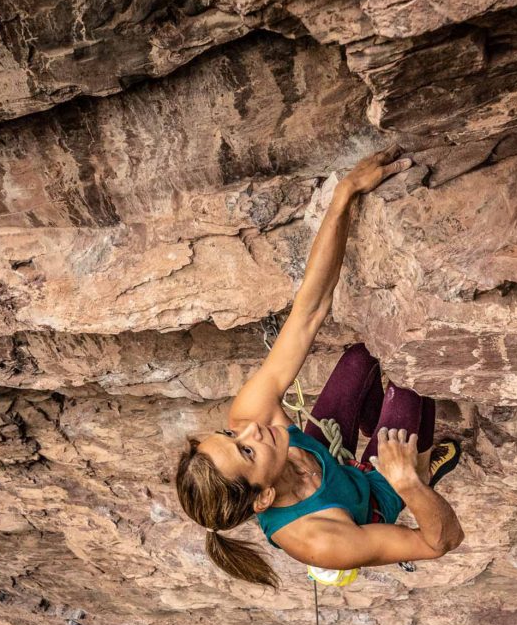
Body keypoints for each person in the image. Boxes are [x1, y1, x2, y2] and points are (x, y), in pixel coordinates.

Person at [175, 146, 464, 588]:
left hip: (331, 460)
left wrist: (344, 194)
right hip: (369, 502)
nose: (251, 431)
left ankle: (383, 439)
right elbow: (441, 542)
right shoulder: (321, 542)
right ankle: (420, 466)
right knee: (407, 379)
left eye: (230, 435)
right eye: (246, 451)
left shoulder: (252, 420)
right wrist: (408, 483)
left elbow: (308, 311)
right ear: (264, 498)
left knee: (361, 358)